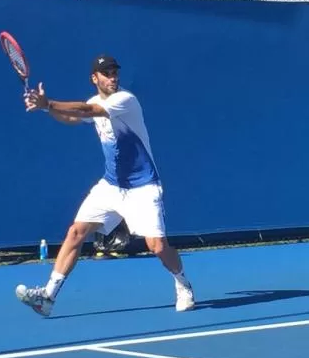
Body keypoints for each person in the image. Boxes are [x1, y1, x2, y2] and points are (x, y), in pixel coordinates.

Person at [14, 54, 195, 316]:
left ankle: (183, 283)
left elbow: (88, 112)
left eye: (114, 72)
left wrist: (48, 101)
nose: (113, 77)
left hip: (143, 187)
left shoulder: (126, 100)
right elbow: (74, 118)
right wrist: (45, 108)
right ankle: (47, 297)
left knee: (156, 246)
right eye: (107, 73)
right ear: (94, 78)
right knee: (76, 231)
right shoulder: (93, 100)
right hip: (111, 186)